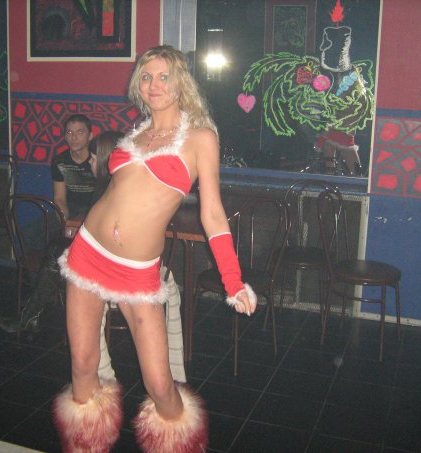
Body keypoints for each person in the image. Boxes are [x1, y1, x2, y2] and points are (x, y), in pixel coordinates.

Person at [53, 45, 257, 453]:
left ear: (181, 82)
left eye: (164, 76)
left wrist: (233, 280)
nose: (154, 85)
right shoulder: (135, 134)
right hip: (88, 252)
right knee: (83, 367)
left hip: (137, 271)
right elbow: (115, 192)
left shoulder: (201, 138)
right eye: (146, 77)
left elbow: (213, 214)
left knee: (160, 384)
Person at [0, 129, 119, 334]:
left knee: (57, 252)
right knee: (55, 247)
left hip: (112, 260)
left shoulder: (114, 188)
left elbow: (108, 231)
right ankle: (34, 308)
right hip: (106, 250)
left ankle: (31, 312)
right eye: (69, 132)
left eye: (94, 159)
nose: (90, 163)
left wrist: (79, 233)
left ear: (106, 160)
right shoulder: (108, 183)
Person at [52, 114, 97, 221]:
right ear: (65, 136)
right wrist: (64, 221)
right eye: (69, 132)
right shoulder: (60, 161)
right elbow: (59, 198)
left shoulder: (97, 159)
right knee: (31, 230)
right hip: (70, 210)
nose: (74, 137)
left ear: (90, 136)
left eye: (80, 132)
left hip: (95, 211)